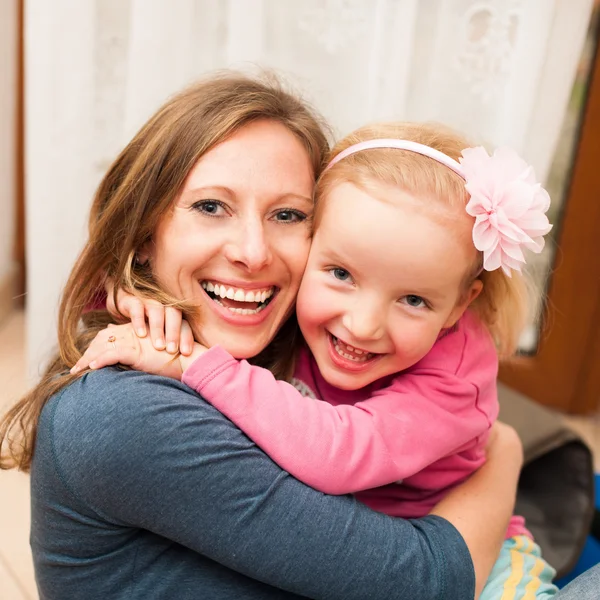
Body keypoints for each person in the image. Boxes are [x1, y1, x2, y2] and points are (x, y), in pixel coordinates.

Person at [0, 72, 541, 600]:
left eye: (287, 214)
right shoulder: (123, 413)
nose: (253, 253)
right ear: (141, 235)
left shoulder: (274, 341)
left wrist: (141, 299)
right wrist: (505, 454)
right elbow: (423, 583)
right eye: (211, 207)